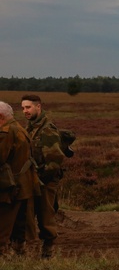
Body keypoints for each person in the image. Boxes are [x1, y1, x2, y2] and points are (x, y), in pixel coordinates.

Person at [20, 94, 64, 257]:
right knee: (27, 215)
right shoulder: (30, 127)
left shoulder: (47, 129)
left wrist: (42, 179)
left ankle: (48, 250)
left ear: (38, 106)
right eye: (23, 108)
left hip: (46, 181)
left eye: (28, 107)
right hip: (33, 179)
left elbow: (54, 160)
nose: (25, 111)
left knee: (46, 216)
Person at [1, 101, 37, 257]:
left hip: (10, 187)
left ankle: (2, 255)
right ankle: (19, 254)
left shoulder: (6, 132)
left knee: (3, 222)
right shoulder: (20, 128)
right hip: (23, 185)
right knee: (19, 224)